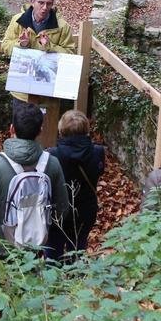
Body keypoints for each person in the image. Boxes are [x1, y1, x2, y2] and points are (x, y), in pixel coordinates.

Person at [0, 100, 70, 313]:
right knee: (23, 309)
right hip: (32, 251)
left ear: (11, 129)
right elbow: (62, 210)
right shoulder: (51, 164)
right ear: (40, 130)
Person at [0, 0, 77, 104]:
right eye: (41, 3)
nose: (45, 8)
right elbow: (5, 45)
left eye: (49, 4)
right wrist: (21, 45)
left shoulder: (63, 27)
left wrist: (50, 47)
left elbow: (71, 55)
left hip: (49, 93)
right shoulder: (17, 20)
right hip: (22, 92)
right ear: (32, 2)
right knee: (22, 122)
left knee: (48, 123)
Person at [47, 110, 105, 259]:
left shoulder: (51, 155)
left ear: (61, 131)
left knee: (53, 251)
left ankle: (53, 280)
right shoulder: (98, 152)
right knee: (78, 249)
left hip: (58, 212)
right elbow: (98, 172)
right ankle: (76, 278)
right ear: (86, 130)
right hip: (85, 212)